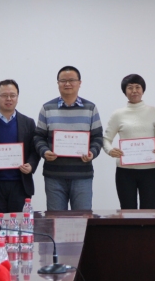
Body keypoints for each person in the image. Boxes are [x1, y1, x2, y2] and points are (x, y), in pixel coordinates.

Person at [33, 66, 103, 211]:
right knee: (56, 220)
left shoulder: (90, 108)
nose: (67, 84)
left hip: (82, 175)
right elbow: (38, 137)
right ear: (58, 83)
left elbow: (97, 137)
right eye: (63, 80)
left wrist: (92, 152)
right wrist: (44, 151)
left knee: (83, 219)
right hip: (54, 175)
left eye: (72, 80)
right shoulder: (47, 108)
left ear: (79, 83)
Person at [102, 74, 155, 209]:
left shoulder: (154, 112)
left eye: (138, 87)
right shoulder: (118, 114)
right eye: (130, 88)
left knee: (149, 212)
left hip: (150, 170)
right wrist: (110, 150)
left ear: (143, 90)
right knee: (127, 211)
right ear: (125, 91)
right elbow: (106, 139)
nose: (134, 91)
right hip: (125, 171)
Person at [0, 79, 40, 214]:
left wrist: (31, 165)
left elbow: (34, 150)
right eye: (4, 95)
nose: (9, 99)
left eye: (12, 95)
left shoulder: (28, 123)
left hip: (21, 184)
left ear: (17, 98)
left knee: (20, 224)